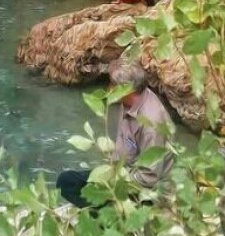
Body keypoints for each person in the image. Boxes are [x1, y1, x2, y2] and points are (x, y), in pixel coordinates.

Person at [56, 61, 173, 207]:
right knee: (67, 181)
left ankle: (105, 213)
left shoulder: (151, 124)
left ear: (126, 90)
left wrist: (115, 183)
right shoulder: (129, 102)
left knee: (81, 190)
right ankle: (102, 207)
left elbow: (149, 177)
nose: (109, 88)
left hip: (145, 190)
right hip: (123, 173)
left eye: (112, 85)